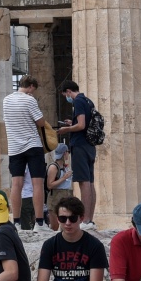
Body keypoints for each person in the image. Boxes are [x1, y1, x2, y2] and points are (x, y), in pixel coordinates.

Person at [1, 76, 54, 229]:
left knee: (16, 184)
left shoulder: (6, 100)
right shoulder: (30, 100)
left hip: (14, 147)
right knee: (37, 183)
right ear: (31, 87)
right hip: (32, 145)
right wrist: (33, 102)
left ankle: (16, 222)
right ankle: (39, 222)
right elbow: (41, 122)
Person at [56, 80, 99, 228]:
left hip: (80, 145)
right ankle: (90, 219)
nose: (66, 98)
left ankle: (85, 219)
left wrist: (65, 130)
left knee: (83, 182)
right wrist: (71, 123)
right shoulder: (87, 100)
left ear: (68, 91)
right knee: (90, 181)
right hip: (89, 145)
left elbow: (81, 125)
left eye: (65, 95)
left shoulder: (78, 101)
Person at [45, 143, 74, 228]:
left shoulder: (65, 167)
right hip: (55, 198)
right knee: (55, 226)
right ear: (65, 153)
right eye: (67, 152)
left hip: (66, 196)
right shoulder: (53, 167)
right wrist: (64, 178)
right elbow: (49, 185)